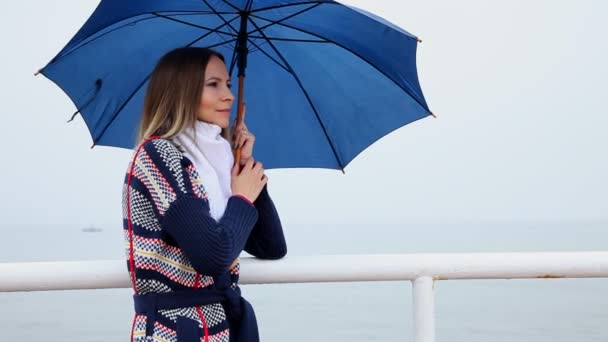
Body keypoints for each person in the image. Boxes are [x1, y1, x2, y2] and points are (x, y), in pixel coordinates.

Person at [122, 47, 287, 342]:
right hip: (171, 329)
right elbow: (212, 256)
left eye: (227, 84)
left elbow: (271, 246)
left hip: (218, 328)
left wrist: (244, 166)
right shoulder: (159, 155)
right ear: (181, 91)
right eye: (213, 85)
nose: (229, 95)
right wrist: (242, 199)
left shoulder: (219, 159)